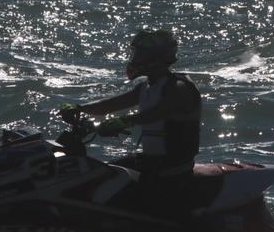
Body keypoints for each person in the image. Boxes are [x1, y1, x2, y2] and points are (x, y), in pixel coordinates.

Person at [60, 29, 202, 212]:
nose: (136, 58)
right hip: (150, 161)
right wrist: (80, 108)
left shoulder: (179, 87)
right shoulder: (147, 86)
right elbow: (112, 104)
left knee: (137, 204)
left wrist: (124, 121)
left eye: (141, 54)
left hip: (172, 166)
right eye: (135, 53)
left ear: (156, 57)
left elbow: (156, 113)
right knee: (103, 174)